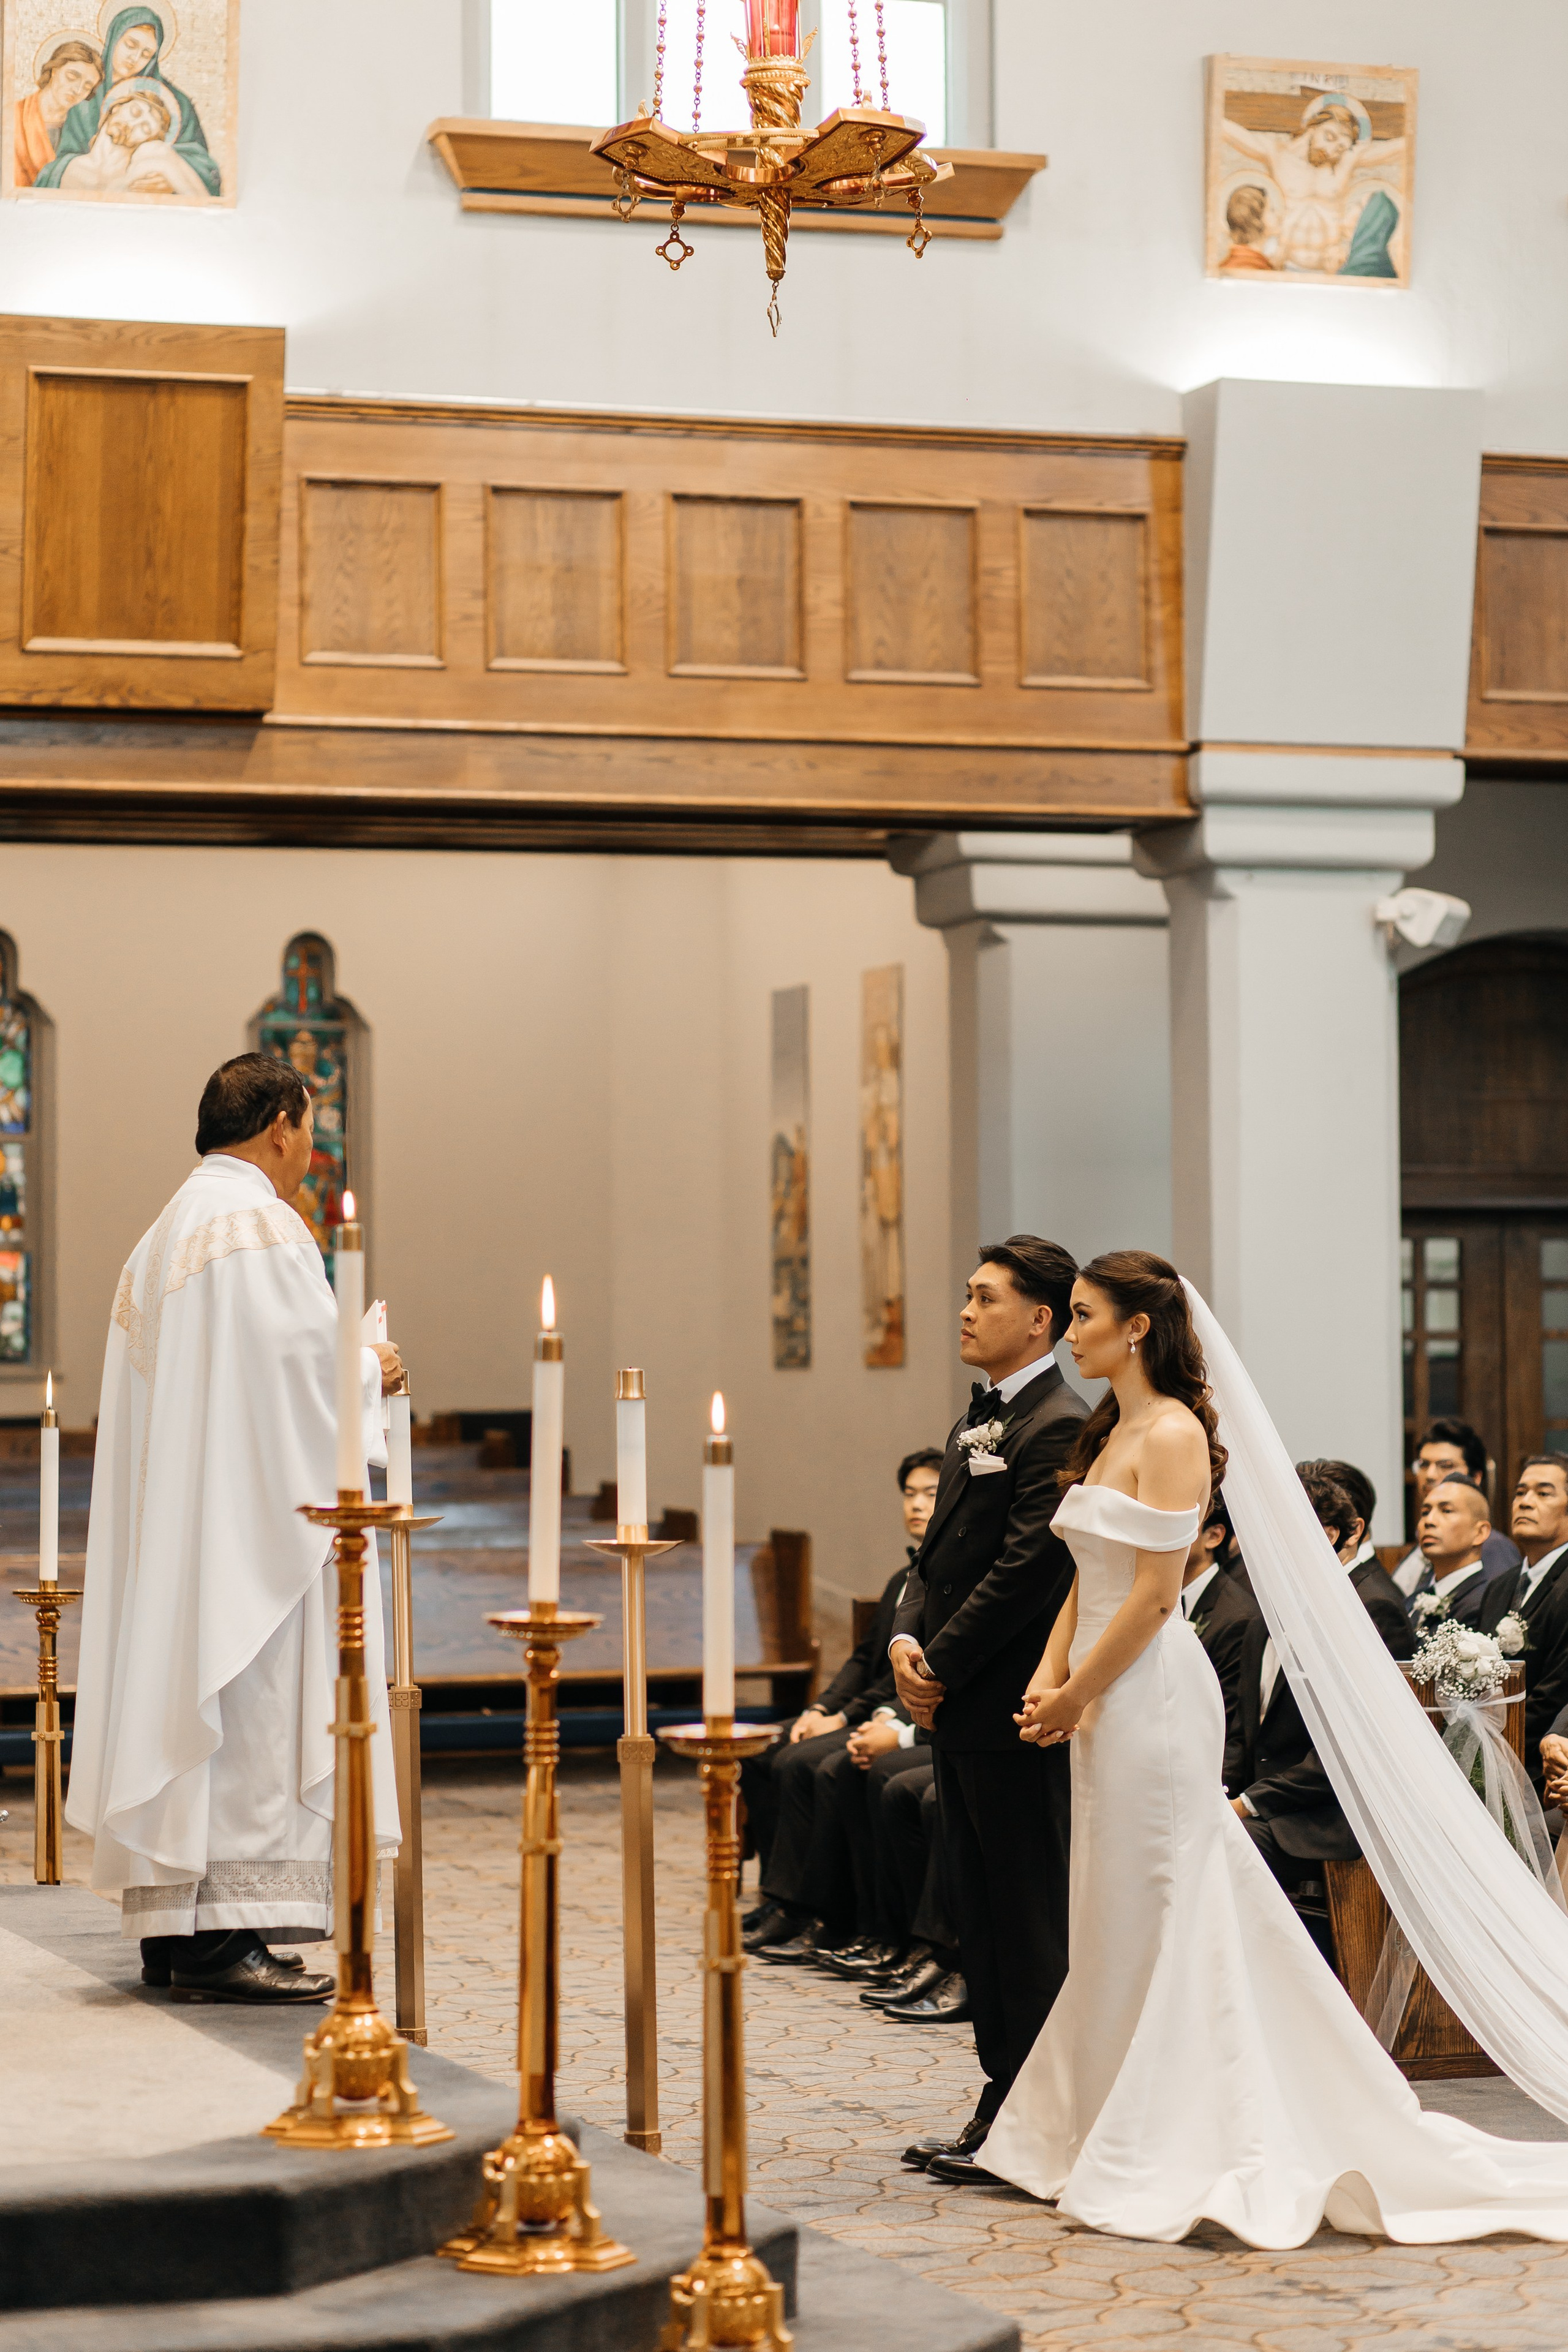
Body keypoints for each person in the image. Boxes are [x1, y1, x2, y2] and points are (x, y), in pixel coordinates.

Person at [979, 1250, 1568, 2245]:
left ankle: (1170, 2130)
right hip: (1099, 1692)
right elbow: (1087, 1573)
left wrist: (1077, 1691)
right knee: (1110, 1903)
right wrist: (1050, 1671)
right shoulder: (1110, 1427)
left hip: (1151, 1696)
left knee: (1165, 1892)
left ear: (1136, 1327)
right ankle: (1091, 2123)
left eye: (1083, 1315)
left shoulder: (1173, 1433)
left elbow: (1154, 1598)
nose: (1069, 1332)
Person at [66, 1055, 401, 2001]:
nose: (311, 1151)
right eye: (311, 1129)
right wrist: (371, 1366)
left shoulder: (163, 1235)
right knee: (248, 1721)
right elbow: (297, 1378)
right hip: (247, 1547)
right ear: (280, 1125)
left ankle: (179, 1933)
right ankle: (222, 1942)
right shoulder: (260, 1226)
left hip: (188, 1541)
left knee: (199, 1719)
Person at [890, 1235, 1087, 2179]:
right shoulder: (982, 1417)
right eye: (966, 1295)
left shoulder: (1058, 1423)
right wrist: (904, 1640)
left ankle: (1034, 2118)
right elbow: (934, 1557)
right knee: (980, 1913)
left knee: (1024, 1918)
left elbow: (1028, 1567)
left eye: (985, 1298)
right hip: (958, 1705)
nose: (965, 1312)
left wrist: (942, 1662)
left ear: (1039, 1319)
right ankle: (1001, 2098)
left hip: (1012, 1710)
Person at [741, 1448, 938, 1958]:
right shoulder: (901, 1579)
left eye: (930, 1494)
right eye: (909, 1495)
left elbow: (907, 1677)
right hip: (879, 1708)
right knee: (761, 1750)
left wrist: (849, 1717)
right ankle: (780, 1895)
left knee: (814, 1764)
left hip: (903, 1714)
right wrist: (820, 1709)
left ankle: (820, 1912)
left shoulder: (947, 1582)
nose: (917, 1505)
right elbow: (864, 1659)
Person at [1229, 1469, 1414, 1951]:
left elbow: (1351, 1748)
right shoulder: (1263, 1616)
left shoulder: (1370, 1611)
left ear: (1329, 1534)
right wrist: (1216, 1794)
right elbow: (1242, 1733)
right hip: (1265, 1806)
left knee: (1223, 1848)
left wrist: (1248, 1804)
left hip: (1329, 1816)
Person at [34, 8, 221, 197]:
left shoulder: (175, 102)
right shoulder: (85, 92)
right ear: (115, 37)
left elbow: (204, 167)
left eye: (146, 54)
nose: (135, 58)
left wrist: (169, 183)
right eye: (131, 45)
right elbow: (62, 153)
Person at [1219, 92, 1404, 277]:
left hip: (1330, 268)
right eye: (1330, 136)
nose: (1332, 150)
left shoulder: (1345, 162)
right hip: (1284, 264)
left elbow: (1395, 150)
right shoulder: (1278, 155)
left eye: (1341, 147)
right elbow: (1229, 132)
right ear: (1313, 127)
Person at [1472, 1454, 1568, 1793]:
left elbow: (1558, 1689)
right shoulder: (1501, 1586)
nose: (1525, 1502)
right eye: (1520, 1492)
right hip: (1492, 1752)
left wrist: (1485, 1739)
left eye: (1543, 1493)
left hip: (1540, 1765)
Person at [1179, 1490, 1258, 1793]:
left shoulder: (1236, 1617)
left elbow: (1228, 1723)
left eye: (1180, 1521)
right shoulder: (1157, 1600)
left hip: (1202, 1774)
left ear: (1213, 1536)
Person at [1392, 1419, 1520, 1595]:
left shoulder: (1493, 1547)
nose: (1430, 1475)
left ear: (1475, 1477)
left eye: (1446, 1466)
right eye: (1424, 1465)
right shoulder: (1426, 1539)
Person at [55, 79, 210, 198]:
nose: (134, 124)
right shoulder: (60, 169)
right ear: (117, 107)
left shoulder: (142, 178)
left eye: (145, 129)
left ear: (148, 142)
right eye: (135, 112)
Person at [1406, 1476, 1499, 1630]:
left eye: (1447, 1511)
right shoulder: (1415, 1597)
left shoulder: (1487, 1603)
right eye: (1425, 1512)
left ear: (1480, 1533)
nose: (1429, 1521)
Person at [13, 40, 101, 189]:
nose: (78, 90)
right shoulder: (15, 115)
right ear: (54, 70)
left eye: (87, 86)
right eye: (73, 76)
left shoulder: (82, 131)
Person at [1218, 183, 1275, 270]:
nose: (1278, 216)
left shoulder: (1258, 261)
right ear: (1257, 220)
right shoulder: (1249, 265)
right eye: (1272, 210)